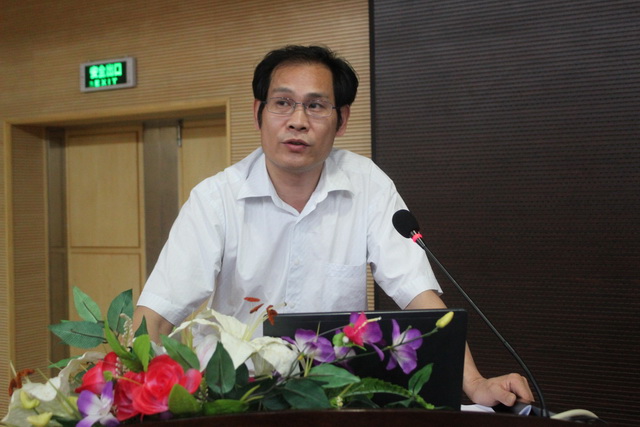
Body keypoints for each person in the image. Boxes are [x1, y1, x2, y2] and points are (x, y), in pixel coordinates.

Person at [133, 45, 534, 408]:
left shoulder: (367, 184)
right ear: (258, 113)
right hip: (238, 398)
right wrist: (128, 388)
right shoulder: (214, 199)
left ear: (341, 120)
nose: (297, 121)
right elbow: (161, 311)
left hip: (334, 397)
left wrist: (475, 383)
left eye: (316, 106)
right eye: (282, 103)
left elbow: (418, 294)